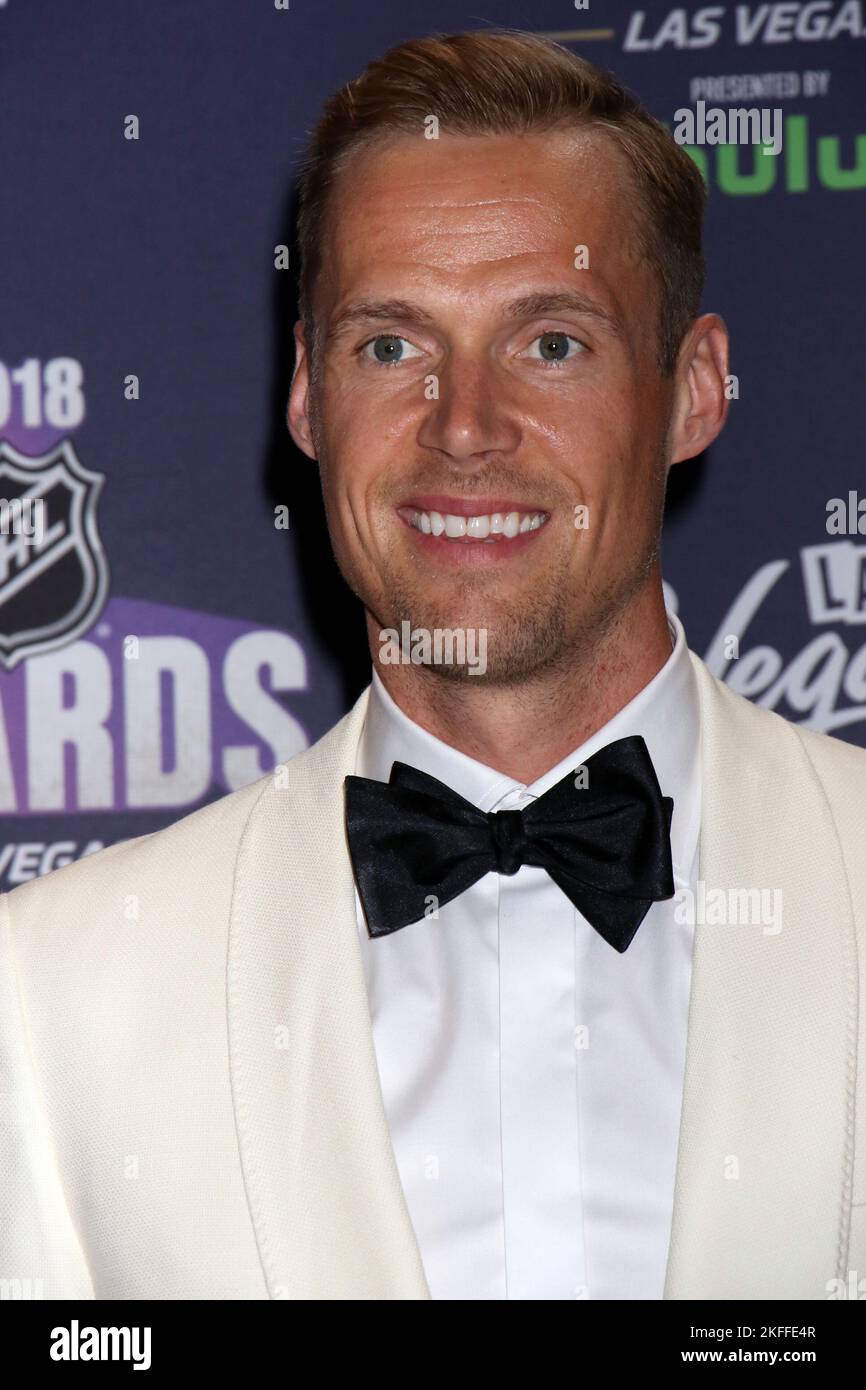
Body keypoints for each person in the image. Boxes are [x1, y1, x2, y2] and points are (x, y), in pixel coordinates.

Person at [2, 29, 864, 1302]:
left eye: (550, 343)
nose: (463, 425)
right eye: (389, 345)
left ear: (693, 388)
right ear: (305, 396)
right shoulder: (52, 994)